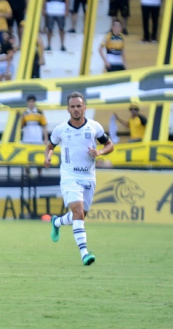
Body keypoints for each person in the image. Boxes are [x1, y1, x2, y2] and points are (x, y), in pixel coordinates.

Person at [45, 92, 114, 266]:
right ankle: (84, 253)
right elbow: (50, 146)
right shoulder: (61, 129)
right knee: (77, 212)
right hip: (70, 175)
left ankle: (58, 221)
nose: (76, 109)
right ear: (68, 109)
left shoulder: (94, 127)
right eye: (72, 106)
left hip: (88, 176)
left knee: (81, 215)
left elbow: (109, 145)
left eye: (79, 106)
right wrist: (48, 157)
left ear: (84, 107)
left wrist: (99, 152)